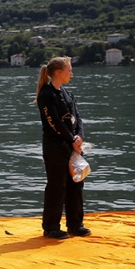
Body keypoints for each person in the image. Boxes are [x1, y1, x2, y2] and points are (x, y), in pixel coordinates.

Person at [35, 56, 90, 239]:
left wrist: (79, 136)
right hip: (55, 147)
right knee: (57, 186)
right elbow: (54, 122)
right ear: (58, 72)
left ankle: (75, 224)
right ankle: (51, 227)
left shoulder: (68, 94)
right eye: (69, 70)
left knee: (76, 183)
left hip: (72, 146)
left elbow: (77, 118)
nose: (72, 73)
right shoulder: (46, 95)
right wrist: (70, 139)